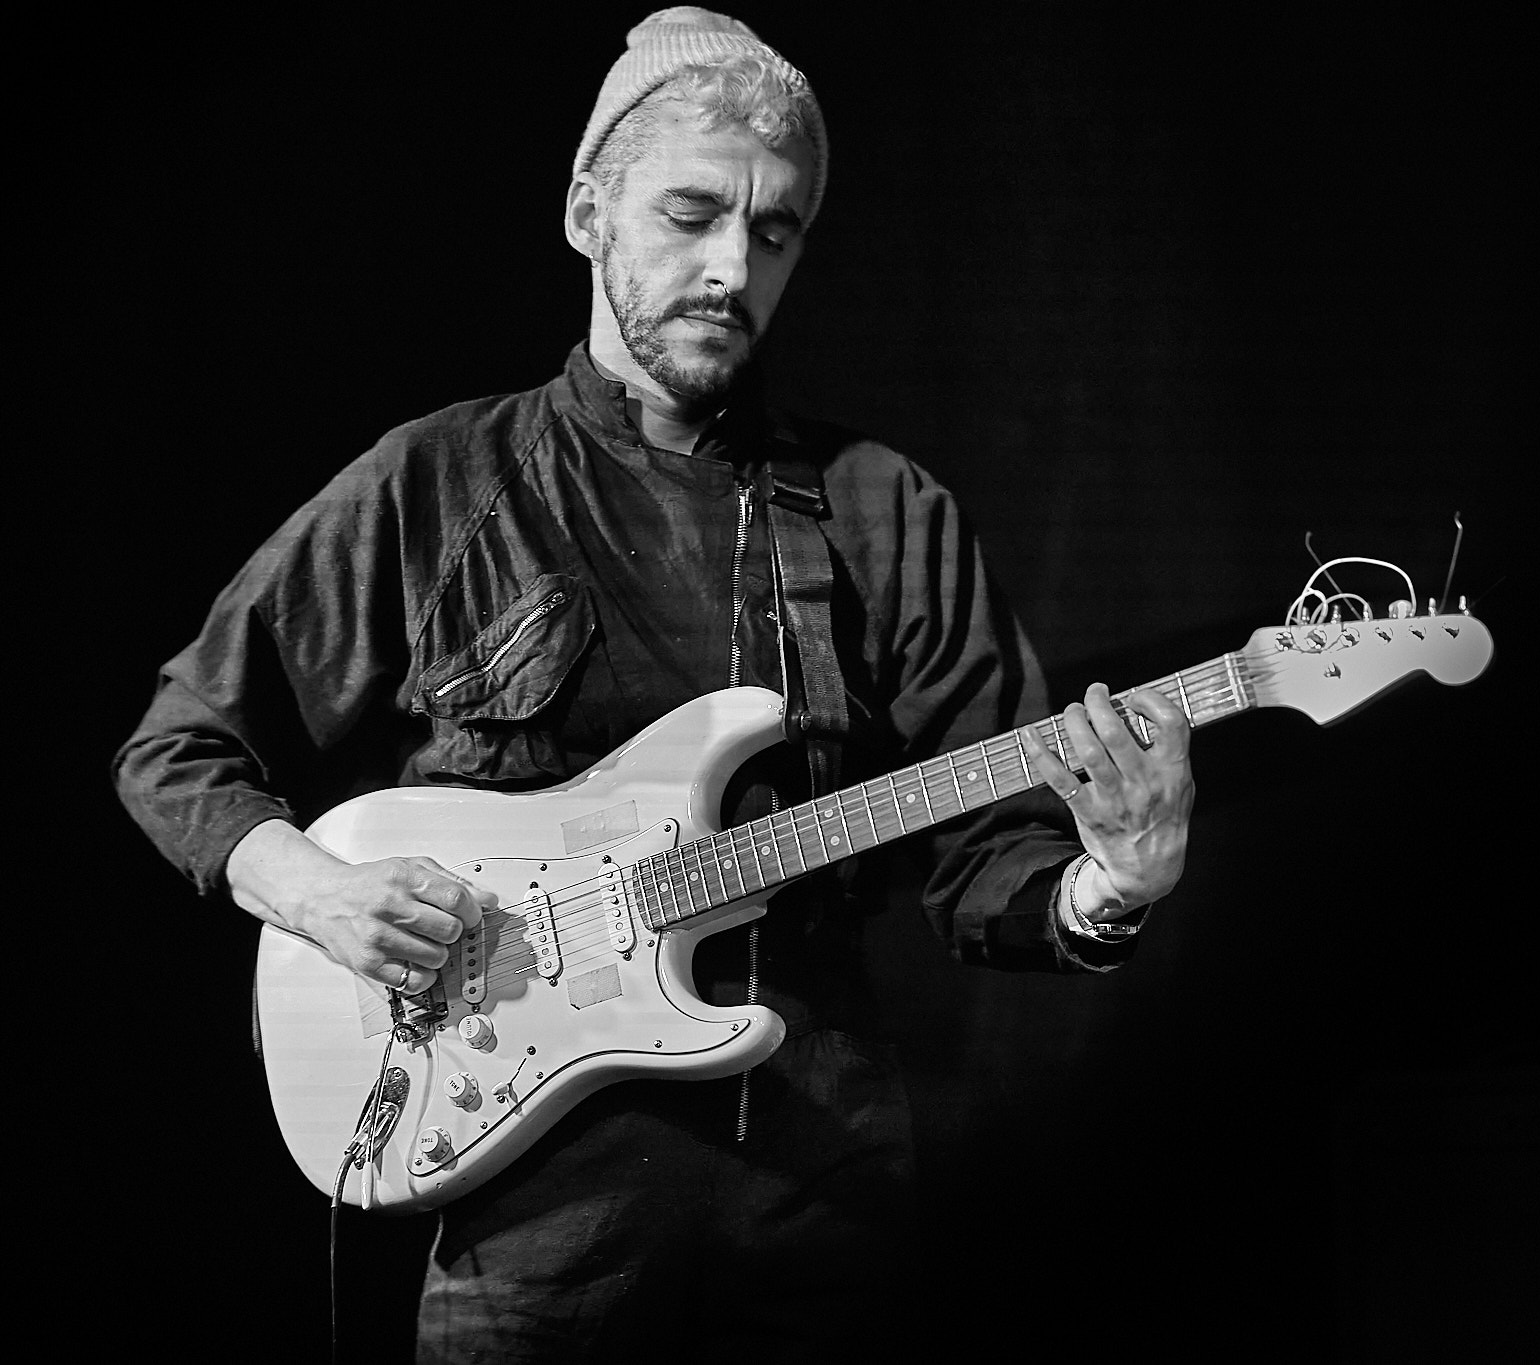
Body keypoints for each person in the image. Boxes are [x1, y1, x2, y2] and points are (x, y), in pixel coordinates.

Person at [112, 8, 1195, 1361]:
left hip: (826, 1192)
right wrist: (320, 894)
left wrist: (1113, 884)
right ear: (589, 212)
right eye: (692, 214)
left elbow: (988, 861)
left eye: (776, 233)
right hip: (534, 1219)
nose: (733, 267)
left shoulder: (886, 511)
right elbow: (178, 749)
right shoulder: (436, 483)